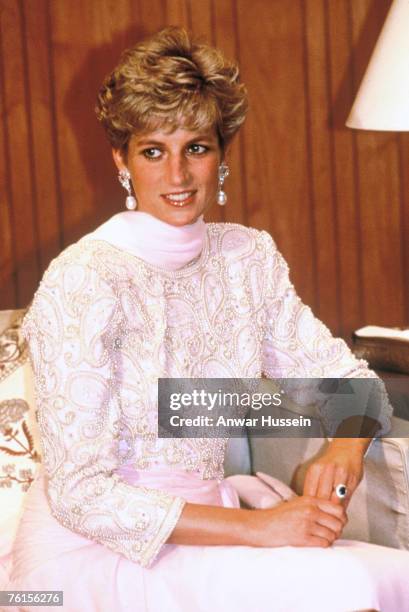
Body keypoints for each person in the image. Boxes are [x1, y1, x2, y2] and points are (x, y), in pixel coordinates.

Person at [7, 26, 409, 612]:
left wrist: (344, 447)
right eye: (153, 150)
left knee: (394, 577)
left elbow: (345, 382)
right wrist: (264, 530)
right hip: (94, 552)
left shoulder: (245, 258)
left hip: (216, 530)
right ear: (121, 158)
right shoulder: (84, 278)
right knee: (343, 592)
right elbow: (80, 494)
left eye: (196, 147)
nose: (177, 175)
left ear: (221, 155)